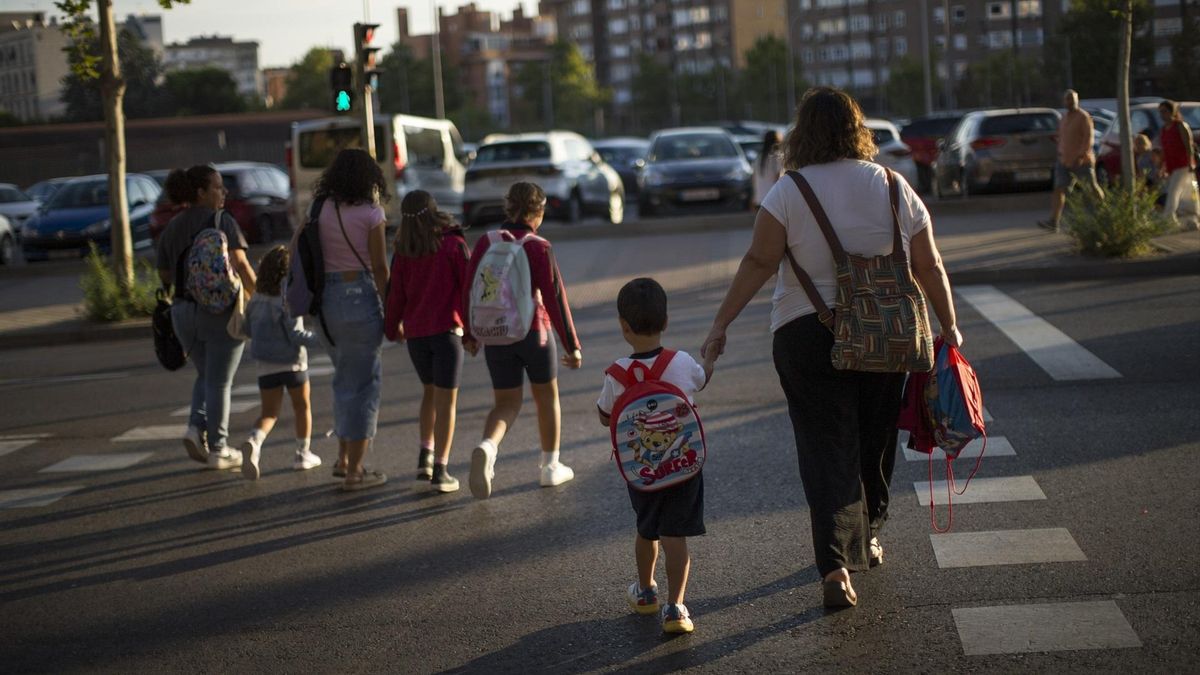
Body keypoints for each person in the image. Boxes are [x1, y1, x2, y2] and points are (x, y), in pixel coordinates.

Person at [700, 87, 962, 608]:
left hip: (805, 332)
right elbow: (928, 264)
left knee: (824, 446)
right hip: (887, 332)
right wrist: (949, 326)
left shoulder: (788, 190)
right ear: (856, 129)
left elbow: (757, 263)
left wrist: (720, 324)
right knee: (875, 436)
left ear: (803, 133)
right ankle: (870, 532)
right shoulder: (893, 185)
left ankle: (836, 568)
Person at [597, 278, 712, 634]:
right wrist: (711, 354)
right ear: (666, 321)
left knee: (647, 530)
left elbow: (605, 415)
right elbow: (702, 379)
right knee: (676, 534)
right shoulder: (682, 362)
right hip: (683, 467)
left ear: (624, 326)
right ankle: (676, 607)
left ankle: (646, 591)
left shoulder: (617, 373)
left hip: (642, 472)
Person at [463, 182, 582, 499]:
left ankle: (487, 447)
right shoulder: (538, 246)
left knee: (505, 404)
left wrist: (471, 333)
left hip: (495, 334)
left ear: (508, 208)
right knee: (546, 398)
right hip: (534, 333)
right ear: (538, 211)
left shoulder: (486, 242)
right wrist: (571, 344)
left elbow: (470, 287)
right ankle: (549, 466)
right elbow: (555, 298)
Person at [157, 165, 257, 470]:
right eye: (216, 187)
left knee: (206, 375)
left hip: (182, 312)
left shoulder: (173, 226)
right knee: (220, 382)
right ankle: (219, 448)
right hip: (220, 311)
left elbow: (164, 275)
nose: (223, 192)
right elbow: (240, 265)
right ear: (200, 192)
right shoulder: (221, 221)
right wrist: (264, 296)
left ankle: (194, 427)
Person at [313, 148, 391, 491]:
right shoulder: (372, 214)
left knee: (344, 379)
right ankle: (356, 470)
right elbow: (379, 267)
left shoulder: (318, 209)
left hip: (325, 303)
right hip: (359, 295)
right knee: (364, 385)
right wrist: (392, 309)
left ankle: (344, 458)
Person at [384, 190, 470, 493]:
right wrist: (472, 333)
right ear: (433, 211)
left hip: (417, 337)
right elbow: (467, 291)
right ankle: (441, 470)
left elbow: (396, 295)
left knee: (429, 394)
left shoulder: (403, 252)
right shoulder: (452, 245)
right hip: (447, 333)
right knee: (447, 402)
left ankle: (425, 455)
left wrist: (391, 328)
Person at [238, 245, 323, 480]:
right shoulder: (287, 299)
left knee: (269, 413)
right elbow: (296, 335)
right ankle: (302, 454)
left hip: (265, 365)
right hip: (293, 363)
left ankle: (254, 442)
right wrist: (322, 340)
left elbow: (247, 329)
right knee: (302, 407)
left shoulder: (256, 299)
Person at [1040, 89, 1105, 231]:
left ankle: (1104, 214)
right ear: (1064, 101)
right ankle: (1054, 221)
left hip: (1081, 161)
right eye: (1068, 99)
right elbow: (1062, 137)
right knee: (1059, 188)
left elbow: (1089, 138)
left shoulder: (1083, 117)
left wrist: (1081, 155)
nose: (1070, 102)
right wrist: (1060, 153)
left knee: (1091, 188)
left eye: (1073, 99)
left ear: (1077, 100)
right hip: (1064, 160)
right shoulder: (1064, 118)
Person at [1158, 99, 1199, 230]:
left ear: (1172, 112)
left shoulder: (1180, 126)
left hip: (1183, 165)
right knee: (1185, 193)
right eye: (1160, 112)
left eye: (1164, 111)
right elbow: (1165, 150)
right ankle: (1191, 216)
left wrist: (1191, 161)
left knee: (1173, 191)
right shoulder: (1164, 129)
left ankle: (1168, 218)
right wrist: (1162, 167)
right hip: (1171, 165)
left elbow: (1189, 146)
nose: (1162, 115)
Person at [753, 130, 783, 209]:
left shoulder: (758, 158)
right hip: (773, 200)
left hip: (759, 199)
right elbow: (779, 179)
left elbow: (754, 179)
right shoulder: (777, 157)